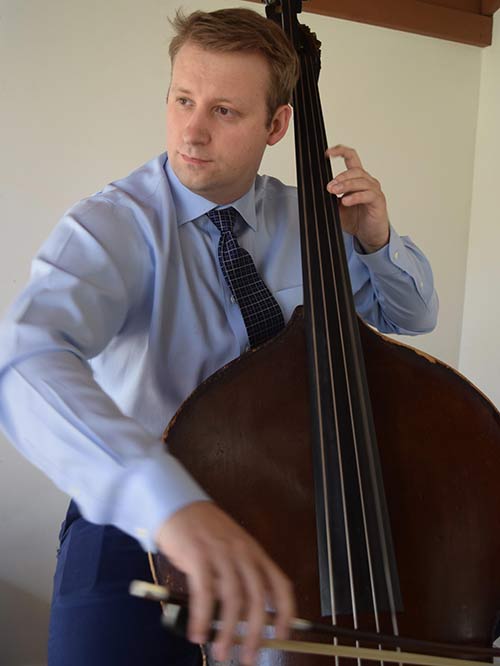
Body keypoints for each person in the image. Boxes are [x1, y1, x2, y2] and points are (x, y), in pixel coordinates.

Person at [0, 7, 438, 666]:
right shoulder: (112, 225)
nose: (192, 131)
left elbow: (411, 315)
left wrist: (378, 240)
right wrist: (169, 505)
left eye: (224, 111)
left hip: (290, 506)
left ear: (276, 126)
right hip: (140, 512)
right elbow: (28, 356)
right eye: (183, 100)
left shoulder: (310, 219)